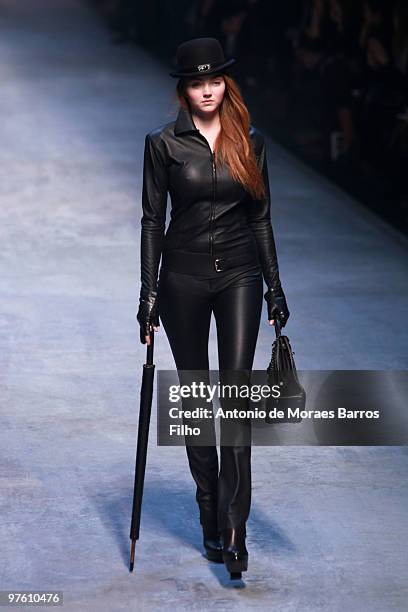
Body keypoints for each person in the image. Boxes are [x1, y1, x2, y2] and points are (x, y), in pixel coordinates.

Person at [136, 37, 290, 579]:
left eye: (216, 81)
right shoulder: (163, 145)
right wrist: (147, 293)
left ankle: (234, 527)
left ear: (227, 83)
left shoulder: (250, 142)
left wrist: (275, 288)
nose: (207, 90)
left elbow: (261, 218)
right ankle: (208, 512)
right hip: (180, 279)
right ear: (183, 89)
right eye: (198, 83)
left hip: (242, 277)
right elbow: (152, 220)